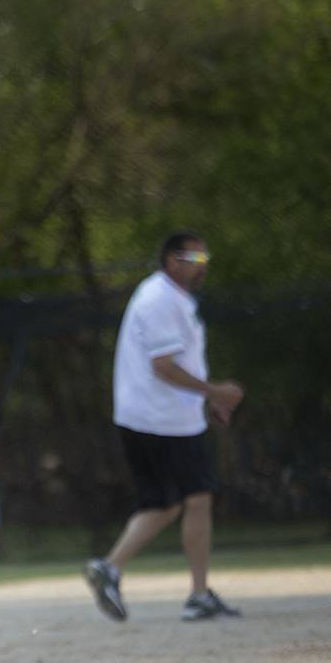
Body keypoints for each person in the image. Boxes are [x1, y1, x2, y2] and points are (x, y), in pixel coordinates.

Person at [84, 232, 245, 623]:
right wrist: (215, 393)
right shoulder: (159, 299)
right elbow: (164, 367)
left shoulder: (172, 298)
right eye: (196, 256)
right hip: (160, 420)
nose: (203, 263)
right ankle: (195, 593)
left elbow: (177, 362)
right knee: (193, 497)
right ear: (173, 260)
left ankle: (115, 570)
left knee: (168, 502)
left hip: (162, 417)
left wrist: (206, 401)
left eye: (206, 256)